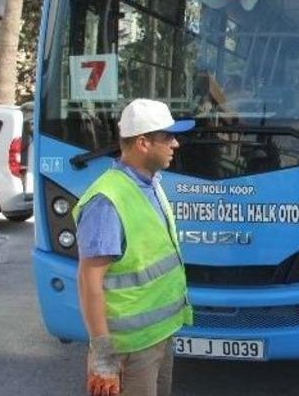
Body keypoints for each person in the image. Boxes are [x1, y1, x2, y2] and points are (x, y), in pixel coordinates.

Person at [75, 99, 195, 396]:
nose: (175, 144)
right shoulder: (107, 200)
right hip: (129, 349)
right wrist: (103, 357)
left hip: (158, 337)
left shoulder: (151, 184)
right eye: (168, 137)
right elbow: (89, 282)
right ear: (143, 143)